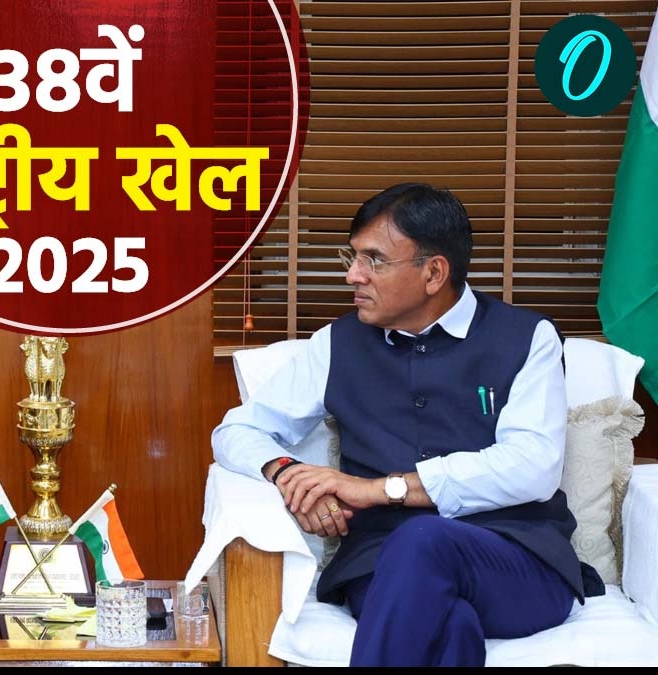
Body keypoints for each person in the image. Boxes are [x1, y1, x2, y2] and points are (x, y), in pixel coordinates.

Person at [212, 183, 604, 666]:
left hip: (515, 562)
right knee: (452, 627)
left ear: (434, 272)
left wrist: (378, 489)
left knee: (424, 540)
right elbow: (236, 431)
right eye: (352, 256)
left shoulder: (527, 338)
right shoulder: (337, 343)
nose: (353, 275)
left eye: (374, 260)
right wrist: (287, 472)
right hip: (380, 564)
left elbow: (533, 468)